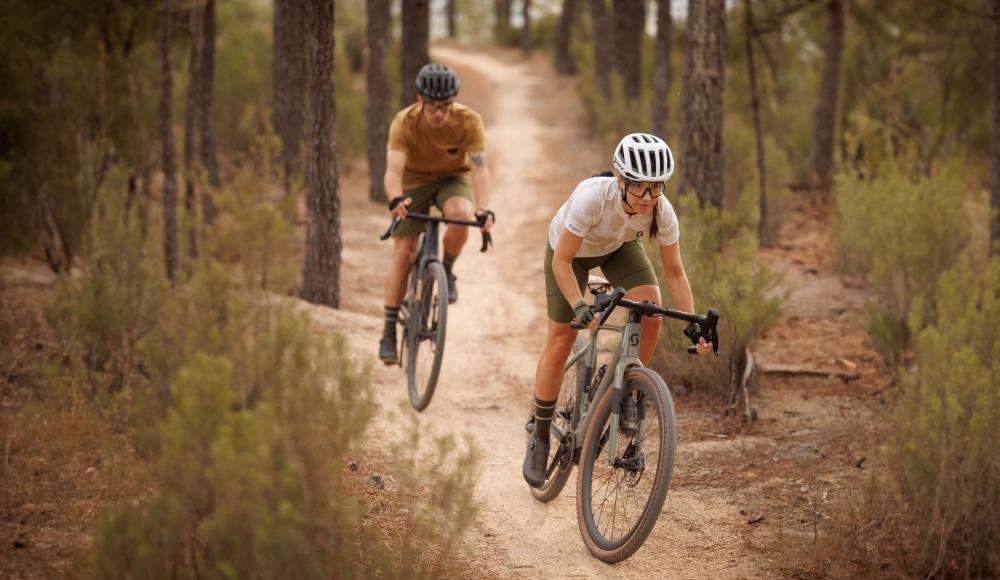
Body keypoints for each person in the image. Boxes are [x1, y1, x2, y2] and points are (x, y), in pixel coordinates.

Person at [522, 132, 712, 488]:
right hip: (570, 256)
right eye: (639, 187)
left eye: (656, 188)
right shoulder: (591, 198)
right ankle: (541, 433)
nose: (648, 197)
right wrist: (578, 304)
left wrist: (694, 325)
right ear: (620, 179)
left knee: (651, 308)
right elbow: (562, 261)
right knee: (563, 336)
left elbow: (675, 273)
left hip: (616, 249)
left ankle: (626, 387)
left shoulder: (660, 210)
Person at [379, 63, 495, 365]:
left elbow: (480, 170)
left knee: (461, 213)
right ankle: (389, 330)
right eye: (433, 107)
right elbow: (392, 172)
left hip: (451, 179)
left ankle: (446, 270)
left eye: (445, 106)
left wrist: (483, 207)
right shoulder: (404, 122)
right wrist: (395, 199)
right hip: (412, 181)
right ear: (421, 100)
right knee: (404, 251)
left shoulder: (469, 121)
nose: (440, 113)